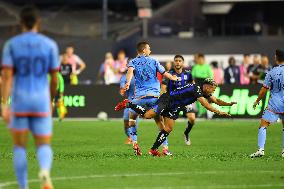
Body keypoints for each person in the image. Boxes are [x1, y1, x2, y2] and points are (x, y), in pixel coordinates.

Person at [1, 6, 58, 189]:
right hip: (41, 100)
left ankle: (23, 187)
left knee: (19, 147)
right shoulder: (50, 45)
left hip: (20, 101)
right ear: (38, 23)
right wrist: (50, 100)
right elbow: (55, 79)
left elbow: (7, 77)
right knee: (43, 145)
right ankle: (44, 171)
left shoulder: (11, 44)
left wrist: (4, 104)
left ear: (21, 23)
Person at [116, 78, 236, 156]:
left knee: (168, 128)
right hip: (167, 100)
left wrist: (228, 104)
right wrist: (220, 113)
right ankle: (128, 103)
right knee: (148, 115)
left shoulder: (204, 91)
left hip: (174, 107)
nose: (213, 92)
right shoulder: (197, 89)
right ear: (206, 86)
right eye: (212, 89)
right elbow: (206, 105)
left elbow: (216, 101)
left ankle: (153, 150)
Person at [121, 41, 178, 156]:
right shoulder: (154, 61)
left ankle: (135, 143)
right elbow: (164, 73)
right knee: (159, 121)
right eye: (149, 49)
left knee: (132, 118)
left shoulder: (133, 62)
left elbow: (130, 71)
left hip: (140, 98)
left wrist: (127, 83)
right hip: (154, 97)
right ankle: (165, 148)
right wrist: (173, 78)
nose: (150, 51)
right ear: (143, 50)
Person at [250, 49, 284, 158]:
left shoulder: (272, 72)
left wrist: (257, 100)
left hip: (274, 103)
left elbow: (264, 89)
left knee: (264, 124)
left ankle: (261, 149)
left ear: (276, 58)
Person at [161, 55, 195, 146]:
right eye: (176, 60)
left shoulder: (188, 73)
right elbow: (163, 88)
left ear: (183, 63)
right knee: (167, 126)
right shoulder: (169, 73)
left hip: (185, 100)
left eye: (180, 61)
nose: (178, 62)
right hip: (173, 102)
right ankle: (164, 144)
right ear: (174, 62)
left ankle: (186, 133)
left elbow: (193, 84)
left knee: (192, 118)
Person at [119, 59, 137, 145]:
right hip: (129, 102)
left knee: (133, 120)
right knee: (126, 122)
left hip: (139, 102)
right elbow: (122, 86)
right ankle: (130, 136)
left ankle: (133, 139)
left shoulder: (141, 76)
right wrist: (123, 89)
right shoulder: (124, 77)